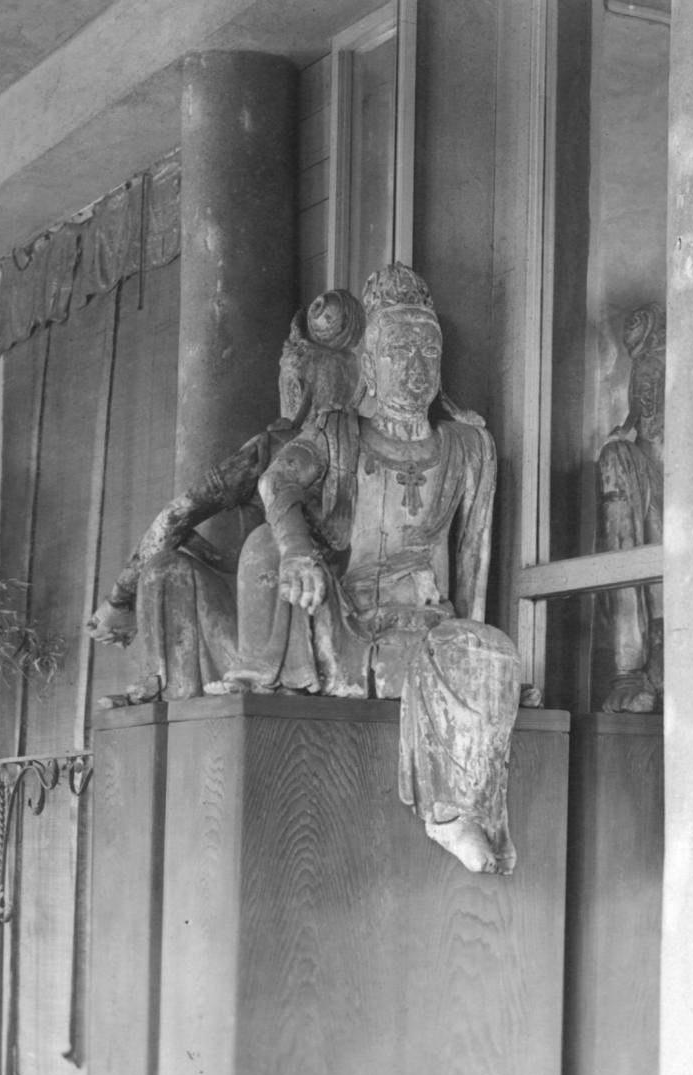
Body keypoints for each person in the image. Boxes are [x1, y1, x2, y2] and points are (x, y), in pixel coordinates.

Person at [220, 262, 523, 874]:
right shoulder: (338, 433)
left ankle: (455, 812)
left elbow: (473, 560)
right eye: (398, 353)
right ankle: (447, 814)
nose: (414, 370)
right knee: (262, 550)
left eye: (427, 355)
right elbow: (276, 481)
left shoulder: (465, 447)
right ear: (368, 367)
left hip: (420, 625)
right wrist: (300, 551)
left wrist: (463, 628)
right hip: (340, 618)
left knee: (491, 652)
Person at [86, 290, 365, 705]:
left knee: (244, 549)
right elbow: (181, 515)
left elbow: (178, 514)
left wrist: (118, 599)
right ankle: (171, 693)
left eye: (290, 378)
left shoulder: (289, 447)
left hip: (313, 616)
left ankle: (221, 694)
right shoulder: (332, 443)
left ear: (299, 385)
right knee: (166, 567)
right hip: (279, 611)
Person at [596, 301, 665, 713]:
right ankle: (631, 670)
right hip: (651, 634)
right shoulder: (628, 461)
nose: (648, 393)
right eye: (641, 382)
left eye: (656, 379)